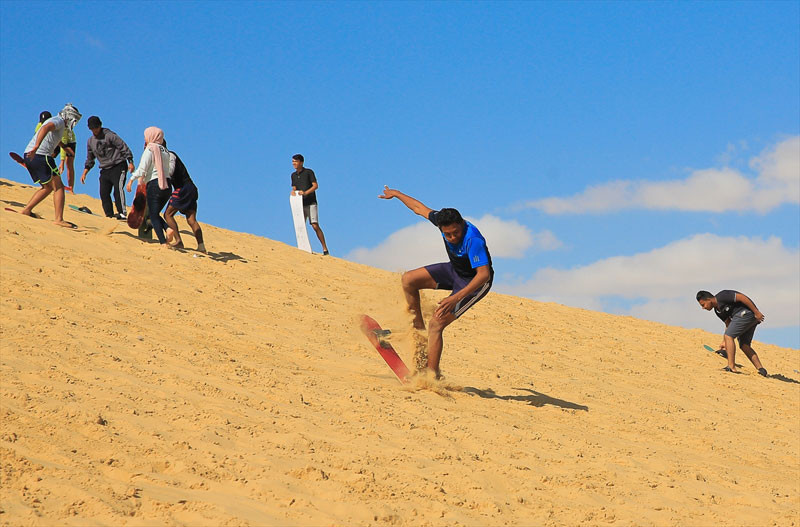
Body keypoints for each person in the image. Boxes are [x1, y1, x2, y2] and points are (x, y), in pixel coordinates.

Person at [379, 186, 493, 378]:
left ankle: (432, 375)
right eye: (447, 234)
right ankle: (418, 332)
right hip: (454, 270)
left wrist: (455, 298)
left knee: (437, 323)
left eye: (456, 233)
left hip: (474, 283)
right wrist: (397, 194)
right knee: (408, 279)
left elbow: (484, 275)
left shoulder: (473, 239)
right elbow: (418, 208)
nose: (452, 237)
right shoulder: (442, 221)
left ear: (461, 224)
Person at [14, 104, 81, 228]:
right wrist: (36, 147)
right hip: (41, 155)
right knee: (59, 187)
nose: (75, 122)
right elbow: (45, 128)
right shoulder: (59, 121)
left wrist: (64, 147)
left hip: (31, 156)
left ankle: (26, 210)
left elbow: (53, 136)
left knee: (47, 187)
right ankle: (59, 219)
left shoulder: (58, 122)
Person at [696, 290, 768, 376]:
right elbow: (728, 324)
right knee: (744, 345)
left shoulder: (722, 296)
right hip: (747, 318)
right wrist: (724, 341)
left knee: (729, 336)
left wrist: (756, 312)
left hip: (746, 314)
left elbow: (742, 297)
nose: (703, 308)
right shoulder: (718, 311)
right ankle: (761, 369)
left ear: (708, 299)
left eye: (703, 305)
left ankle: (731, 367)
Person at [80, 116, 135, 219]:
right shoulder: (90, 141)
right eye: (92, 129)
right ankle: (109, 215)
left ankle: (122, 212)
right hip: (105, 169)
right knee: (104, 192)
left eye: (96, 127)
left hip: (118, 165)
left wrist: (130, 162)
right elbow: (90, 158)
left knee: (118, 190)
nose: (94, 130)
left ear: (100, 126)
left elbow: (123, 147)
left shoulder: (110, 135)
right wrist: (85, 172)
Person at [126, 127, 173, 246]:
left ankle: (163, 242)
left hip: (155, 185)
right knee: (155, 213)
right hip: (167, 186)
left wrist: (131, 179)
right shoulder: (166, 151)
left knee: (153, 215)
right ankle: (168, 228)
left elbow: (142, 169)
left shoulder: (150, 149)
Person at [162, 139, 206, 252]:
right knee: (191, 220)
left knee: (167, 214)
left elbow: (170, 171)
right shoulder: (166, 157)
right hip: (190, 188)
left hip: (183, 188)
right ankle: (201, 246)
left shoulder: (169, 155)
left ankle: (178, 241)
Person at [291, 154, 329, 255]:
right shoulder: (293, 175)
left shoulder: (309, 172)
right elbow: (294, 187)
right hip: (300, 204)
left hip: (311, 202)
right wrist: (293, 192)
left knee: (314, 225)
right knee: (300, 225)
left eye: (295, 161)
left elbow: (315, 186)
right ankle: (303, 247)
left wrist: (306, 193)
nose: (294, 163)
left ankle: (325, 248)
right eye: (293, 161)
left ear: (301, 162)